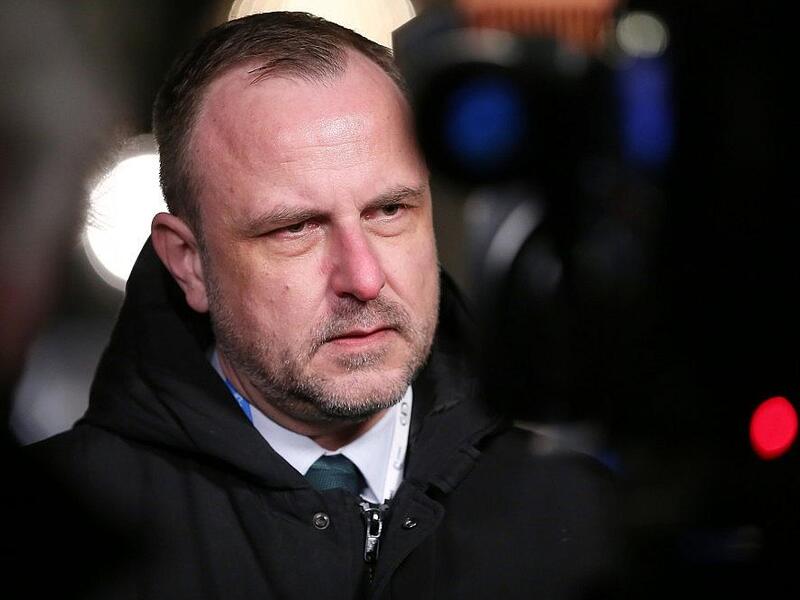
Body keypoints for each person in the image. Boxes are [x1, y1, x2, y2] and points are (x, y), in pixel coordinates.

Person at [29, 12, 616, 599]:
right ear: (189, 263)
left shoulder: (587, 522)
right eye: (295, 228)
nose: (363, 278)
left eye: (389, 211)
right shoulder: (47, 539)